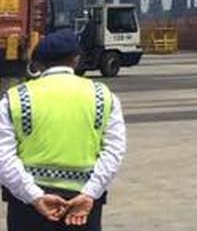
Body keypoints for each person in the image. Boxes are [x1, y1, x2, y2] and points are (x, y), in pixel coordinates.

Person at [0, 30, 126, 230]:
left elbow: (3, 156)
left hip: (29, 209)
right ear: (76, 60)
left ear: (37, 64)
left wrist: (34, 196)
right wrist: (90, 193)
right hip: (82, 207)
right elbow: (114, 152)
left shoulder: (15, 98)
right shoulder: (104, 96)